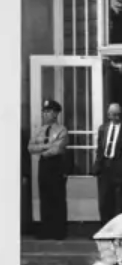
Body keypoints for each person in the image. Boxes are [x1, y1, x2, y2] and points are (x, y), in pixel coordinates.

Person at [26, 99, 69, 240]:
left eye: (48, 111)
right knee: (44, 197)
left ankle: (59, 231)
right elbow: (31, 147)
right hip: (43, 166)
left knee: (57, 198)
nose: (45, 114)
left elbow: (57, 149)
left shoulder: (61, 130)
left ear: (56, 113)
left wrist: (43, 149)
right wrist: (46, 146)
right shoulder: (40, 130)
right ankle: (46, 229)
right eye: (44, 111)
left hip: (56, 166)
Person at [93, 103, 122, 223]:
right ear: (108, 115)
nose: (117, 117)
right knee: (104, 201)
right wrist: (97, 165)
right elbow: (100, 149)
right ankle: (104, 227)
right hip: (105, 167)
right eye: (114, 115)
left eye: (119, 114)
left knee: (118, 202)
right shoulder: (103, 128)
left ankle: (117, 227)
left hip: (119, 168)